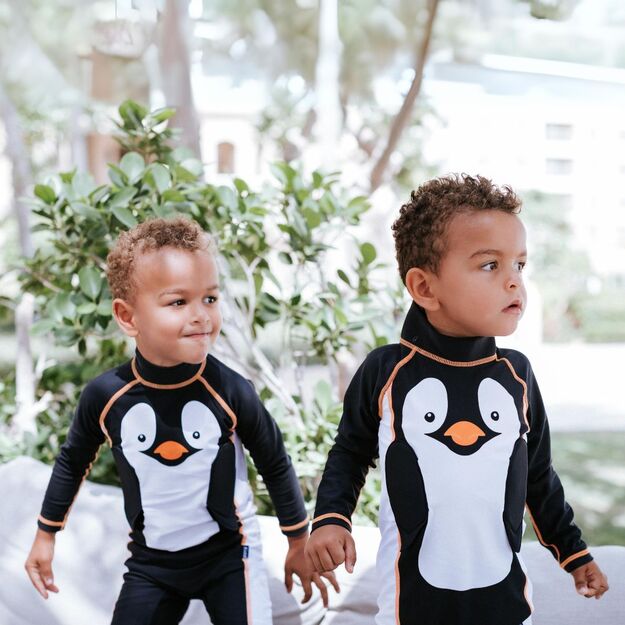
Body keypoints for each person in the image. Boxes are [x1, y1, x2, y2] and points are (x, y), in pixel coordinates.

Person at [305, 174, 609, 625]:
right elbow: (350, 453)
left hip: (506, 606)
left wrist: (574, 552)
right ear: (425, 288)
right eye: (490, 265)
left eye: (519, 265)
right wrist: (331, 518)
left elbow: (538, 475)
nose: (514, 282)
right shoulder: (387, 372)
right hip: (410, 609)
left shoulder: (517, 375)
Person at [25, 217, 337, 624]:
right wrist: (45, 535)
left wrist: (297, 541)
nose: (201, 315)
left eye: (209, 298)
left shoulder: (230, 390)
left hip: (229, 555)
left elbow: (274, 462)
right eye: (178, 302)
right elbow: (72, 462)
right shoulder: (106, 397)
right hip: (152, 563)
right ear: (127, 317)